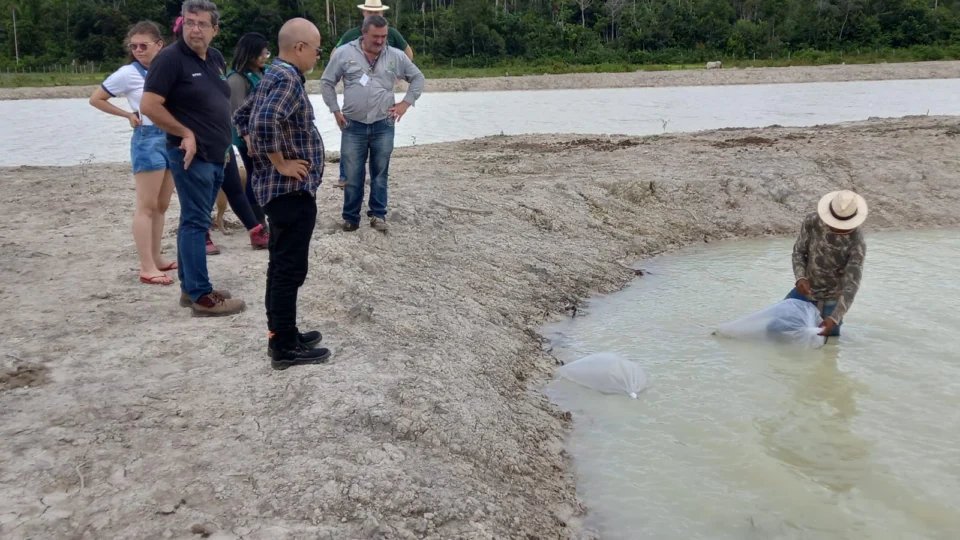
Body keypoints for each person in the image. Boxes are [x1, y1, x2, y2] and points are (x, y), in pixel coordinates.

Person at [233, 18, 331, 368]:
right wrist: (279, 163)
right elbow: (261, 122)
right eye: (318, 50)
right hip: (290, 191)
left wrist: (256, 152)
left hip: (281, 193)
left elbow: (242, 117)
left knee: (280, 266)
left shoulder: (272, 74)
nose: (319, 56)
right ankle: (285, 347)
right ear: (300, 48)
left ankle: (283, 333)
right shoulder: (287, 78)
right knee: (289, 269)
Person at [140, 0, 246, 316]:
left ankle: (190, 289)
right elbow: (149, 105)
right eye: (189, 22)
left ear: (215, 29)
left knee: (194, 220)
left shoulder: (214, 58)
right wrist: (184, 132)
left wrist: (225, 148)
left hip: (216, 155)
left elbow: (217, 104)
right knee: (196, 223)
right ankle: (201, 296)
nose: (194, 29)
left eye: (201, 24)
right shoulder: (169, 60)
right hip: (189, 156)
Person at [89, 21, 177, 286]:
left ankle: (157, 257)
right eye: (134, 46)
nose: (138, 50)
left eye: (144, 45)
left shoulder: (168, 68)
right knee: (146, 206)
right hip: (147, 138)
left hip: (170, 136)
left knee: (162, 205)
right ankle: (146, 266)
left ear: (159, 45)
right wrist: (127, 114)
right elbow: (96, 98)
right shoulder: (128, 73)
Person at [321, 15, 425, 233]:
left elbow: (418, 78)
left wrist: (406, 104)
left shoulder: (395, 56)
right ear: (364, 33)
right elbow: (327, 82)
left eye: (384, 36)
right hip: (352, 125)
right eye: (376, 36)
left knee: (380, 173)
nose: (380, 41)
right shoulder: (344, 53)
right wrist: (334, 110)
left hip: (383, 124)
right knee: (352, 174)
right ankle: (350, 218)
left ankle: (378, 215)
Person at [331, 0, 414, 189]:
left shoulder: (392, 34)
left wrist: (396, 74)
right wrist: (343, 73)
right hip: (356, 91)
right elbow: (335, 54)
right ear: (363, 13)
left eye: (377, 11)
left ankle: (377, 177)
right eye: (370, 11)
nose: (373, 14)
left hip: (381, 92)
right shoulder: (352, 34)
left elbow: (408, 53)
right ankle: (345, 176)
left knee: (381, 135)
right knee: (351, 131)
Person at [787, 190, 868, 337]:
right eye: (834, 224)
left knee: (827, 344)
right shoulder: (812, 221)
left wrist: (834, 318)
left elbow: (851, 285)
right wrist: (800, 277)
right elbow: (799, 252)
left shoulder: (857, 242)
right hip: (804, 292)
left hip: (832, 301)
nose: (837, 228)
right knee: (777, 327)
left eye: (843, 226)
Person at [224, 32, 272, 247]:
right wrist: (248, 138)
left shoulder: (265, 72)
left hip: (268, 134)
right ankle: (258, 224)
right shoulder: (236, 79)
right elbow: (236, 113)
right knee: (255, 177)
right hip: (249, 138)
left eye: (267, 52)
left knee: (266, 176)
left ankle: (265, 219)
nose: (265, 56)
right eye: (261, 52)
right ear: (249, 53)